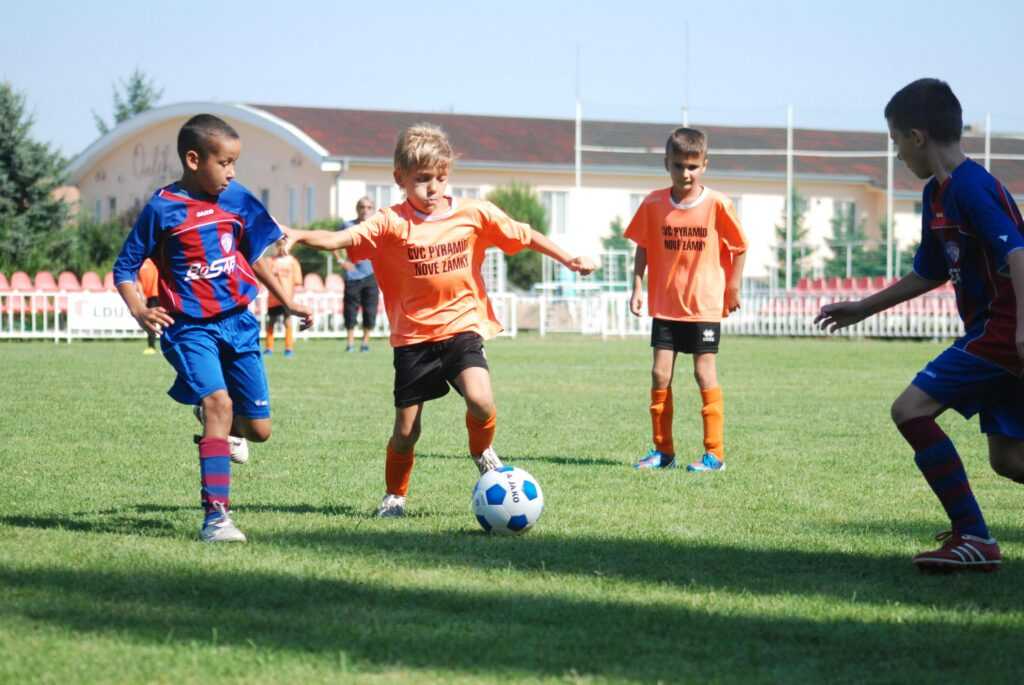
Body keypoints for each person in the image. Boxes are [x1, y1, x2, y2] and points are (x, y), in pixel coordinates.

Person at [286, 123, 597, 517]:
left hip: (461, 326)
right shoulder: (390, 222)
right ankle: (395, 495)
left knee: (482, 401)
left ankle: (482, 451)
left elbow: (525, 234)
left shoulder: (473, 213)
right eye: (421, 179)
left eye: (440, 177)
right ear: (399, 178)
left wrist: (568, 258)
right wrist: (297, 233)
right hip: (413, 338)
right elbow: (340, 240)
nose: (432, 188)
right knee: (406, 431)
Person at [817, 78, 1024, 572]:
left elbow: (1018, 252)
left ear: (917, 137)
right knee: (1010, 461)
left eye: (894, 143)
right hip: (992, 334)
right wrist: (863, 308)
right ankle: (973, 538)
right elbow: (930, 272)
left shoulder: (971, 188)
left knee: (910, 409)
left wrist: (1022, 330)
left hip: (1001, 332)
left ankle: (974, 537)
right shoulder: (939, 194)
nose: (896, 156)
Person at [113, 113, 312, 543]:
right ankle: (216, 517)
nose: (232, 172)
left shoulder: (237, 199)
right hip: (189, 327)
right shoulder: (162, 208)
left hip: (239, 323)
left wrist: (287, 299)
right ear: (192, 159)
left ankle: (217, 422)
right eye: (224, 163)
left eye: (235, 163)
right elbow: (125, 268)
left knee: (259, 431)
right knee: (220, 404)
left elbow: (256, 252)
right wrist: (139, 310)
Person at [626, 127, 748, 473]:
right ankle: (663, 451)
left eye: (693, 166)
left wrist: (733, 288)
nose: (685, 173)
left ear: (705, 165)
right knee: (659, 374)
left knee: (703, 373)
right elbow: (644, 246)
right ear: (667, 163)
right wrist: (636, 287)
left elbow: (740, 247)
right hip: (666, 305)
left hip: (703, 305)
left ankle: (715, 454)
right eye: (678, 165)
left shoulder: (717, 204)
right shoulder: (652, 203)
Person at [334, 196, 380, 352]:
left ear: (372, 210)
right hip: (353, 276)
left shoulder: (377, 227)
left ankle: (365, 343)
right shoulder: (347, 226)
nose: (365, 210)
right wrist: (341, 261)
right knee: (350, 310)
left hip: (371, 275)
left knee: (370, 310)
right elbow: (333, 242)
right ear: (357, 209)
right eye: (362, 207)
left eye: (368, 207)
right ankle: (350, 343)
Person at [264, 241, 303, 358]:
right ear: (276, 247)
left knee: (287, 321)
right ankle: (269, 347)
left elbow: (297, 281)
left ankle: (289, 348)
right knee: (271, 321)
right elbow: (265, 277)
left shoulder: (292, 262)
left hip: (287, 298)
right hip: (273, 298)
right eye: (279, 245)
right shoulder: (271, 261)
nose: (281, 248)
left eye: (284, 245)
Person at [136, 257, 160, 355]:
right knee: (150, 322)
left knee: (165, 321)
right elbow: (139, 281)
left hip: (159, 294)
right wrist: (141, 294)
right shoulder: (140, 263)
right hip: (149, 296)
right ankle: (151, 346)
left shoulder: (156, 258)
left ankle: (169, 345)